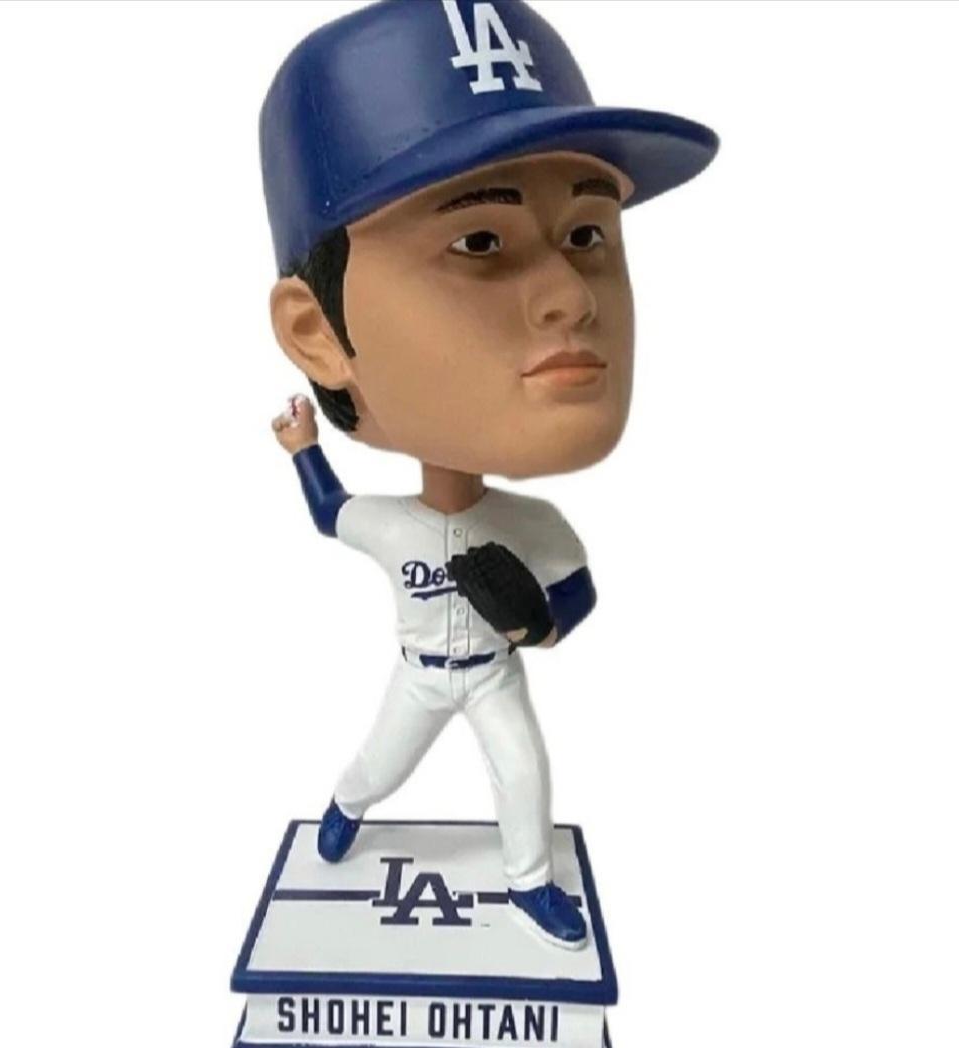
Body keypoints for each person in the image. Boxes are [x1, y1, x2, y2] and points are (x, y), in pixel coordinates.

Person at [260, 0, 717, 948]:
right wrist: (304, 452)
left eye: (587, 234)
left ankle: (529, 886)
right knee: (379, 763)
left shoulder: (532, 526)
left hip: (492, 673)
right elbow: (330, 514)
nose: (570, 298)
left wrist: (536, 625)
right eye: (478, 244)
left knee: (524, 773)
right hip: (421, 676)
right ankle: (343, 812)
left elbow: (573, 596)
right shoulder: (393, 525)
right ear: (316, 333)